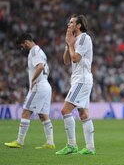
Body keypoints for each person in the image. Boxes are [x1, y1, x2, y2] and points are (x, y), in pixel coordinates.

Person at [5, 33, 55, 149]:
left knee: (26, 112)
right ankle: (50, 142)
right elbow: (47, 69)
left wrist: (33, 80)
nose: (23, 48)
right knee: (43, 115)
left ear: (26, 42)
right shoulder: (41, 52)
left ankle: (19, 141)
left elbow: (41, 66)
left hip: (38, 86)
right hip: (46, 85)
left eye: (22, 45)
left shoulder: (34, 51)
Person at [55, 14, 96, 155]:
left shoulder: (84, 37)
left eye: (72, 22)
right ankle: (90, 148)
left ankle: (71, 145)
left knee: (65, 111)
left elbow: (75, 58)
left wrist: (71, 44)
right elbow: (66, 61)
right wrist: (68, 44)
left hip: (82, 80)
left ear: (78, 26)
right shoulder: (74, 40)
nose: (68, 24)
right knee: (83, 114)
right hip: (80, 79)